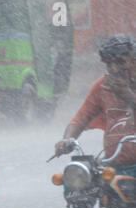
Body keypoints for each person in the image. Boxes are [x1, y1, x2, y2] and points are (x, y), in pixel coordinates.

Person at [55, 34, 136, 174]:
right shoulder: (102, 86)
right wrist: (67, 140)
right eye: (109, 64)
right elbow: (80, 119)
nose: (114, 69)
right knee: (75, 183)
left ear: (134, 61)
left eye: (121, 62)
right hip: (113, 166)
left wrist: (128, 95)